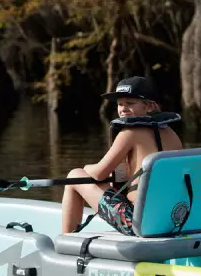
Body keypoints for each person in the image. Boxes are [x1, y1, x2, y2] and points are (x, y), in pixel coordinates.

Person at [61, 76, 183, 235]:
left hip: (139, 223)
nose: (123, 108)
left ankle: (65, 242)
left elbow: (98, 174)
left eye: (130, 103)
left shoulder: (129, 133)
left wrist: (86, 168)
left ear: (149, 106)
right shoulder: (171, 133)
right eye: (120, 104)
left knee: (74, 176)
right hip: (174, 219)